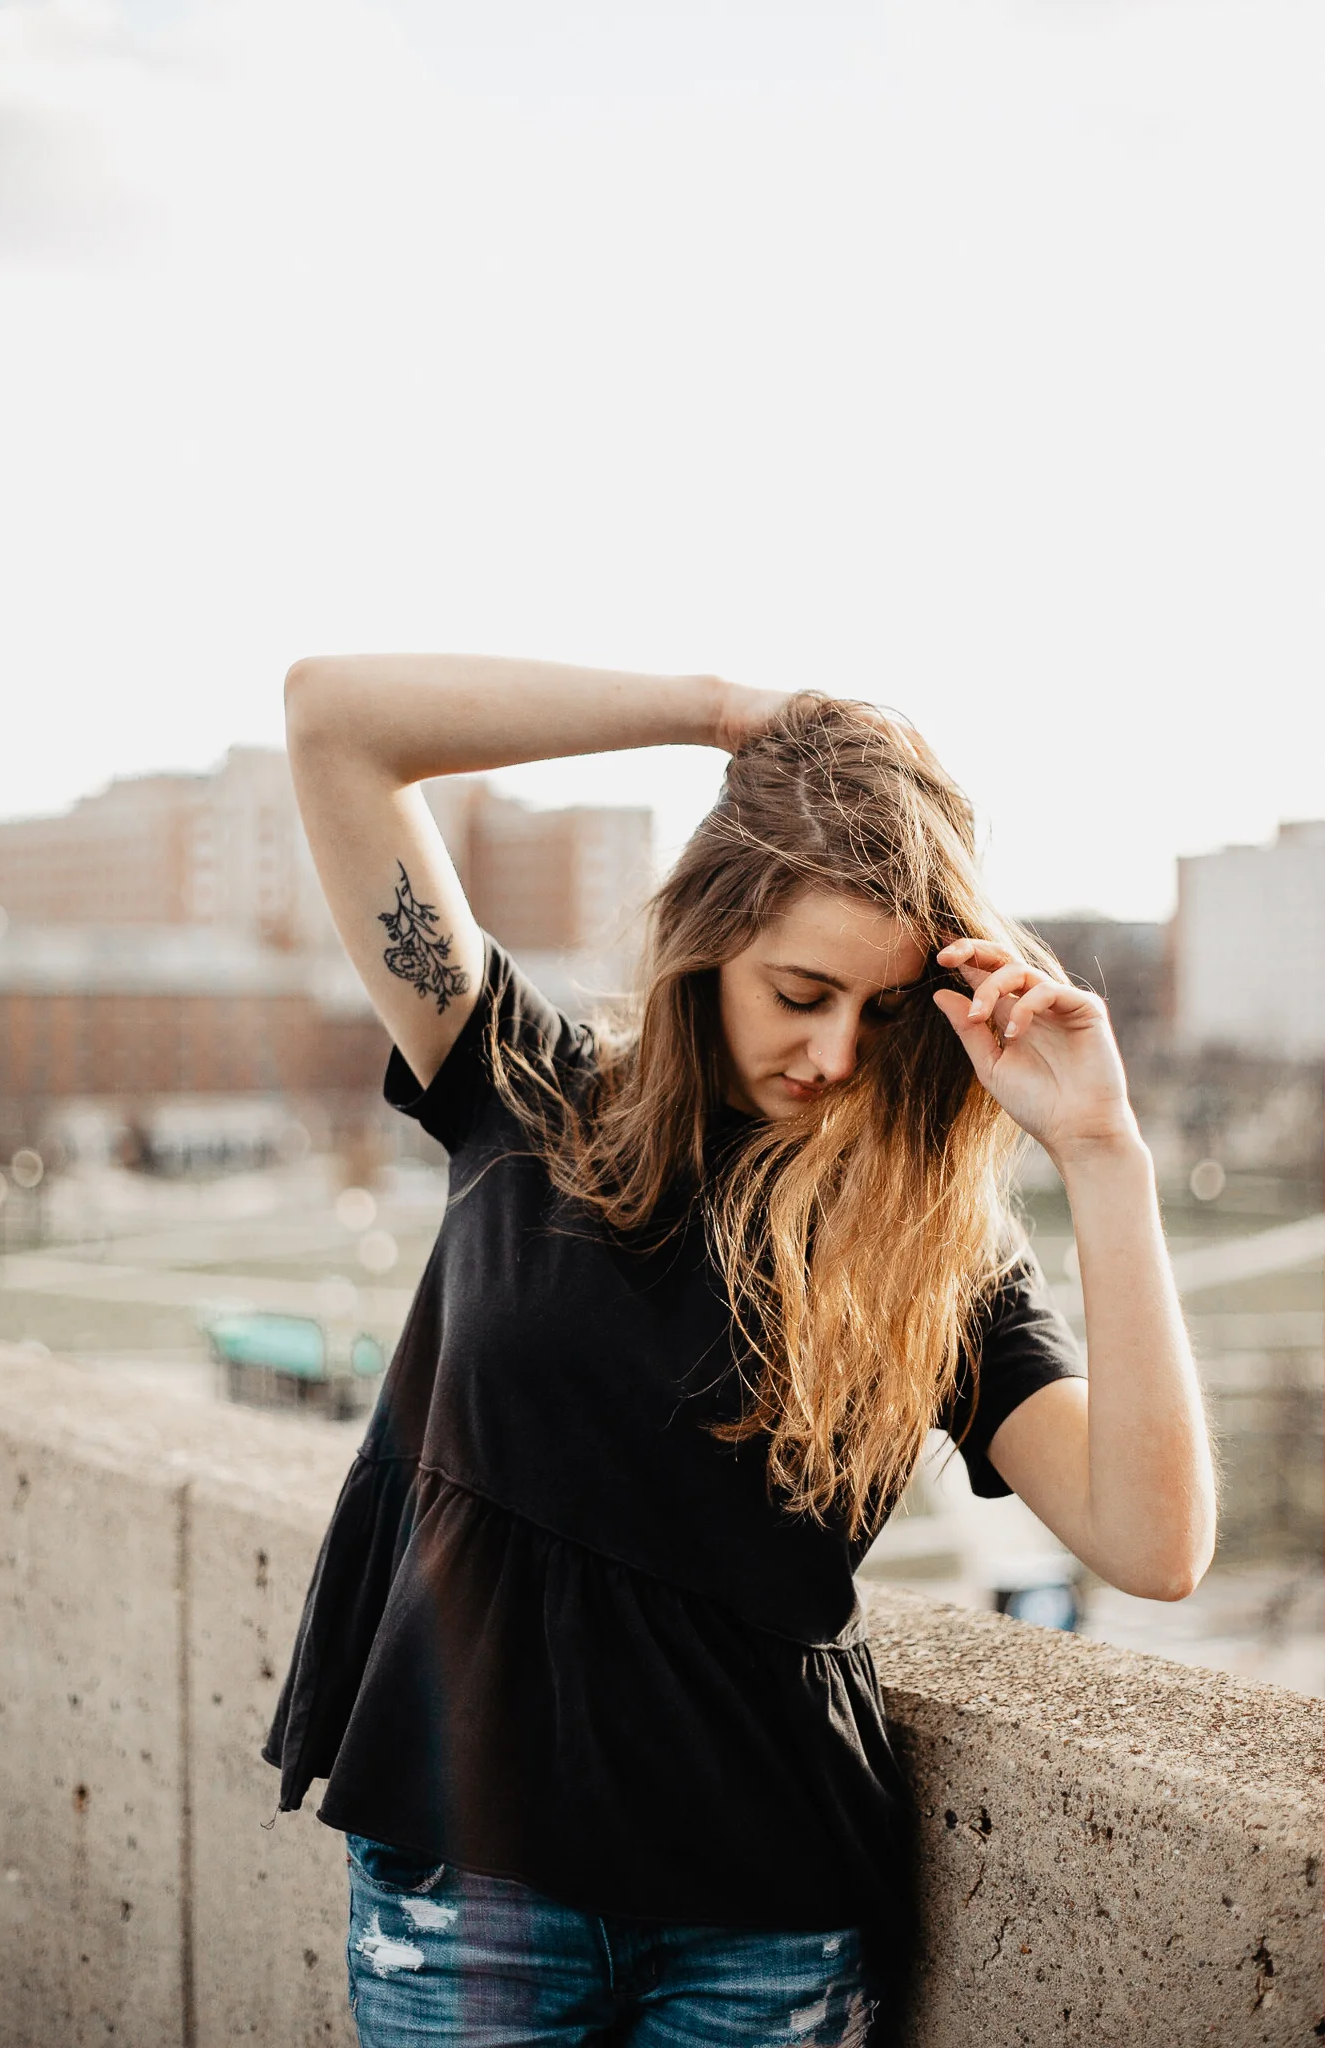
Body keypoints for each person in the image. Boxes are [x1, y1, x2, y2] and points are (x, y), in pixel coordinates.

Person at [265, 655, 1217, 2046]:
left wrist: (1099, 1152)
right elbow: (333, 720)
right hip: (474, 1887)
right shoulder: (526, 1092)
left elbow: (1155, 1543)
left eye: (881, 1011)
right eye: (800, 989)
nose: (834, 1050)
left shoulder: (929, 1255)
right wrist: (717, 714)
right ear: (710, 940)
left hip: (767, 1928)